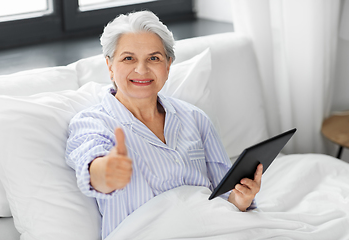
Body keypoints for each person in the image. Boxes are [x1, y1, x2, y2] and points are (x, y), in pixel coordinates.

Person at [65, 10, 263, 239]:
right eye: (128, 58)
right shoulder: (93, 123)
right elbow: (92, 169)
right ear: (110, 66)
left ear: (168, 65)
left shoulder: (195, 118)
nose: (142, 69)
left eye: (154, 58)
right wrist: (106, 173)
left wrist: (241, 199)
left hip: (215, 228)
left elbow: (225, 197)